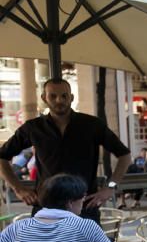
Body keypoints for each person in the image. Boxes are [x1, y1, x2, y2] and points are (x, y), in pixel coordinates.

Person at [0, 78, 131, 223]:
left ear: (71, 97)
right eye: (53, 96)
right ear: (44, 98)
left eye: (64, 96)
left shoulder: (92, 125)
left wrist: (110, 187)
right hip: (46, 208)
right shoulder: (33, 128)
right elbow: (2, 157)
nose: (59, 100)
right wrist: (18, 189)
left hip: (84, 207)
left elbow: (124, 155)